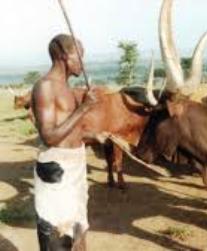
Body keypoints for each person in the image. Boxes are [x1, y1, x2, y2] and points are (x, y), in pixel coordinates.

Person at [31, 33, 99, 251]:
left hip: (75, 165)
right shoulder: (45, 86)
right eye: (79, 56)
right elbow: (49, 136)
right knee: (56, 236)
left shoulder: (67, 87)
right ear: (62, 56)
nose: (83, 63)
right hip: (56, 170)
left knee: (79, 230)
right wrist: (83, 108)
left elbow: (71, 128)